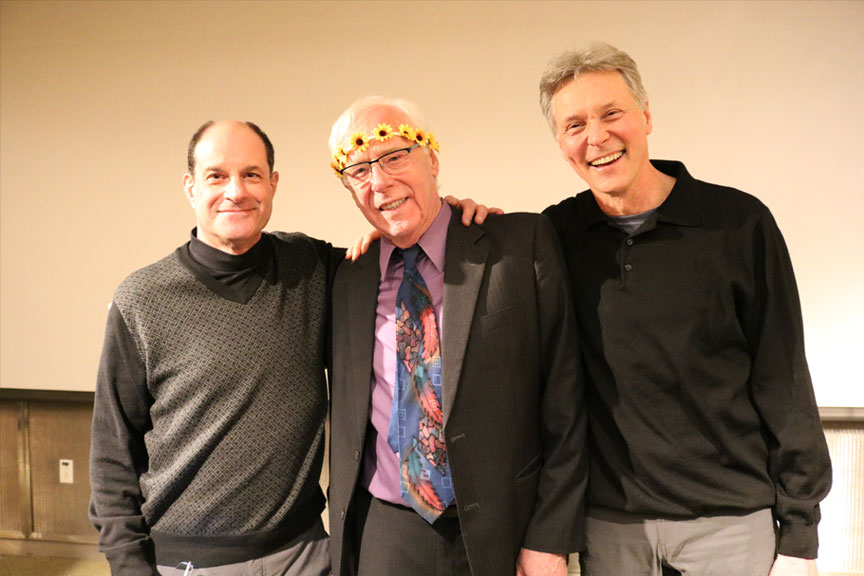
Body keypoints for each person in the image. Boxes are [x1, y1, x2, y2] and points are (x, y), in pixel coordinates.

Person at [89, 120, 490, 576]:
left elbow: (405, 246)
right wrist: (127, 563)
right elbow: (112, 450)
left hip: (304, 555)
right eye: (216, 175)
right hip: (189, 562)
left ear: (272, 184)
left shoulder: (313, 269)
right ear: (190, 186)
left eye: (252, 174)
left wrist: (452, 217)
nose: (236, 191)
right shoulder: (143, 298)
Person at [538, 43, 832, 576]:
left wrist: (799, 534)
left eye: (611, 114)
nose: (596, 137)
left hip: (730, 522)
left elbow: (783, 379)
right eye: (574, 125)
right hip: (610, 528)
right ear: (561, 144)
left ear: (646, 116)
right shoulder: (555, 235)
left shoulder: (738, 223)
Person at [326, 96, 587, 576]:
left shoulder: (520, 246)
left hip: (504, 528)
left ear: (432, 159)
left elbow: (566, 403)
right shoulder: (345, 278)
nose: (380, 182)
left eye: (394, 156)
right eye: (358, 170)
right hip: (386, 533)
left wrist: (551, 536)